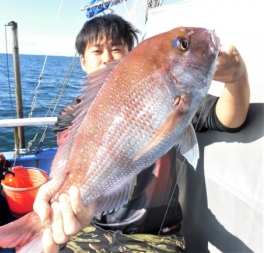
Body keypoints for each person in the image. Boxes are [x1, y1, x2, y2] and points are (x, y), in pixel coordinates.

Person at [33, 14, 250, 253]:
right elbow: (71, 166)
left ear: (130, 54)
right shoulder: (72, 114)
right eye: (97, 51)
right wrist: (68, 204)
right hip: (90, 229)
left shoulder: (171, 91)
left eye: (117, 49)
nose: (107, 58)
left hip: (157, 236)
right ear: (83, 61)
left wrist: (237, 78)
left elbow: (230, 120)